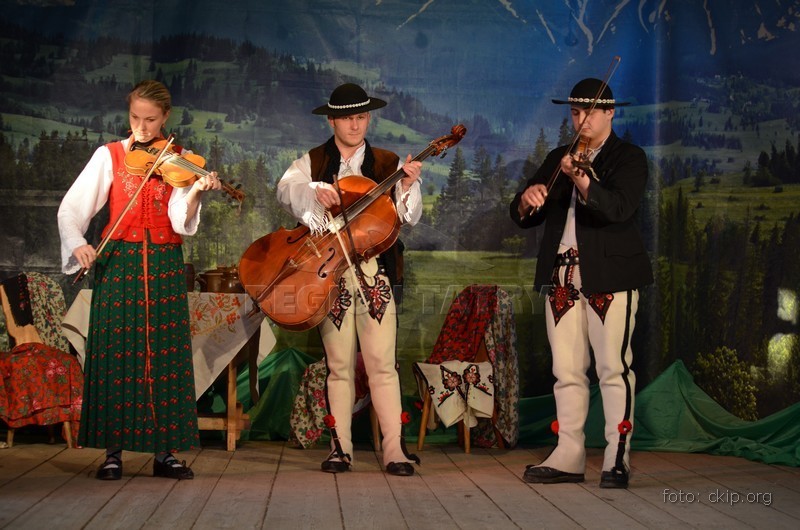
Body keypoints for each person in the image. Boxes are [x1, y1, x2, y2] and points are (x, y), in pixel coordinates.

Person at [58, 79, 222, 480]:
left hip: (165, 263)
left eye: (150, 119)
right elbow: (71, 210)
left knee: (165, 355)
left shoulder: (180, 161)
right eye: (135, 118)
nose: (142, 128)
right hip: (119, 262)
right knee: (115, 353)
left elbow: (179, 221)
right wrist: (78, 244)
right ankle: (112, 453)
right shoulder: (110, 155)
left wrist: (196, 191)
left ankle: (165, 453)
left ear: (165, 117)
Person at [510, 78, 653, 489]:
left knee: (613, 368)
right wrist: (528, 199)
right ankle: (569, 454)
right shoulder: (559, 157)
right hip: (562, 276)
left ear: (610, 113)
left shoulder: (629, 158)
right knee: (567, 370)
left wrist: (582, 178)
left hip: (610, 277)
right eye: (575, 113)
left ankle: (616, 457)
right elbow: (523, 213)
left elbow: (619, 208)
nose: (581, 121)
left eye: (589, 112)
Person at [277, 83, 423, 476]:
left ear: (368, 118)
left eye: (361, 117)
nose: (355, 125)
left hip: (376, 274)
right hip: (330, 275)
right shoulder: (312, 161)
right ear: (332, 120)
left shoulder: (389, 163)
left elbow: (409, 217)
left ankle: (394, 450)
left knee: (382, 365)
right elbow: (285, 190)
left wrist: (406, 186)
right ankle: (340, 448)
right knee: (339, 365)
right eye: (346, 118)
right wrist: (314, 192)